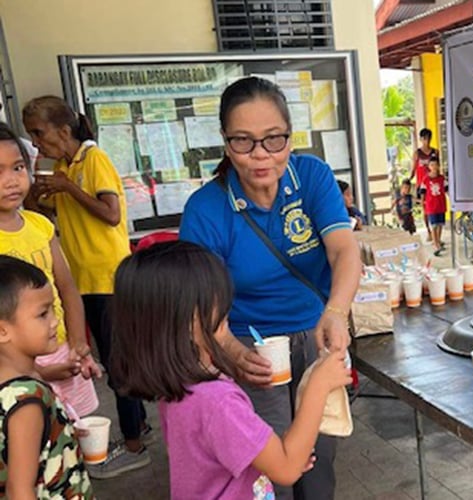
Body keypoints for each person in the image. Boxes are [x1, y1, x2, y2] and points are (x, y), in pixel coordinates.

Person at [180, 76, 361, 500]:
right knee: (272, 469)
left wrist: (335, 311)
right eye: (243, 141)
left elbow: (343, 252)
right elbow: (199, 306)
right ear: (226, 143)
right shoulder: (207, 209)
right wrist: (234, 351)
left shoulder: (311, 177)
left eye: (273, 140)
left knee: (319, 455)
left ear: (289, 138)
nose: (260, 155)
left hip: (316, 333)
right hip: (251, 346)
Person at [110, 241, 352, 500]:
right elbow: (287, 469)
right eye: (212, 297)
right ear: (181, 319)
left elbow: (227, 456)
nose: (226, 303)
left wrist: (277, 454)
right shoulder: (218, 401)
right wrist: (318, 385)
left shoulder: (180, 386)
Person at [22, 96, 151, 478]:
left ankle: (133, 445)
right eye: (30, 136)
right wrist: (41, 189)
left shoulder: (93, 160)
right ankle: (138, 426)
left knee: (118, 364)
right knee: (110, 358)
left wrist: (67, 187)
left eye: (39, 134)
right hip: (84, 281)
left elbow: (111, 215)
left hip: (108, 278)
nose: (36, 143)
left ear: (64, 131)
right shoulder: (63, 165)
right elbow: (57, 217)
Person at [0, 122, 101, 418]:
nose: (11, 181)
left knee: (78, 428)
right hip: (14, 367)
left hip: (60, 347)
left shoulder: (40, 226)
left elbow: (67, 287)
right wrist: (39, 370)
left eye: (18, 167)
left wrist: (78, 345)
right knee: (36, 436)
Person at [0, 255, 93, 498]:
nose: (55, 321)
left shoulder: (14, 384)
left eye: (53, 309)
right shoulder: (28, 399)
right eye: (43, 314)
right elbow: (19, 491)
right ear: (2, 330)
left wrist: (61, 436)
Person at [409, 128, 438, 241]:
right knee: (425, 209)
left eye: (429, 138)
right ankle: (429, 231)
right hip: (422, 185)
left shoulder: (435, 152)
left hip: (434, 184)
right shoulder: (417, 153)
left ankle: (436, 232)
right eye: (424, 138)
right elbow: (413, 168)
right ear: (421, 139)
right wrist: (409, 179)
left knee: (435, 208)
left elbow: (438, 167)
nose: (427, 141)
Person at [419, 156, 448, 256]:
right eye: (432, 165)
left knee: (440, 225)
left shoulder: (441, 178)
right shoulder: (425, 179)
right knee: (434, 225)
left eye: (436, 165)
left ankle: (438, 241)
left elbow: (447, 190)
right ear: (429, 166)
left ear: (438, 166)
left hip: (441, 204)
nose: (434, 167)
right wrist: (423, 203)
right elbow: (422, 192)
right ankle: (435, 244)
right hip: (431, 206)